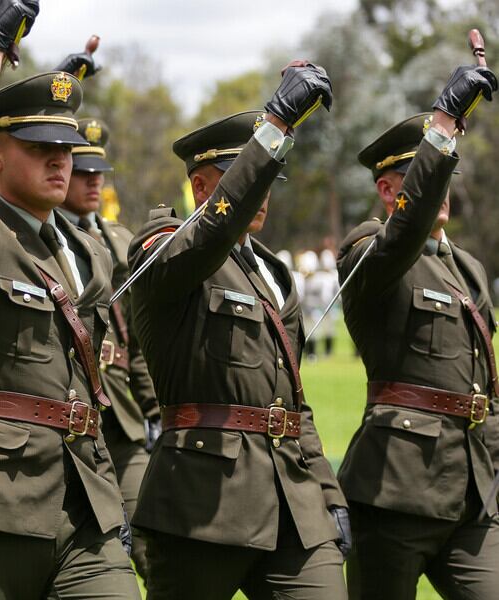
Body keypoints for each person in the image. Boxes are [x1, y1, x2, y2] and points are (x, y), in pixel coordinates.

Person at [0, 1, 140, 597]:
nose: (60, 158)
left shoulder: (79, 250)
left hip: (85, 496)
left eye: (65, 146)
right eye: (40, 144)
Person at [128, 64, 351, 599]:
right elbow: (208, 236)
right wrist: (274, 127)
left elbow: (295, 399)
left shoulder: (275, 273)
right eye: (251, 178)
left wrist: (327, 489)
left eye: (269, 180)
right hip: (202, 502)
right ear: (202, 185)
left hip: (293, 499)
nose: (262, 193)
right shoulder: (162, 247)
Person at [337, 56, 499, 599]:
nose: (441, 186)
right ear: (389, 192)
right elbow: (403, 235)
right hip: (394, 490)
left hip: (471, 491)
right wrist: (444, 125)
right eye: (426, 177)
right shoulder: (366, 248)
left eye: (445, 175)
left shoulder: (468, 268)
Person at [56, 115, 159, 580]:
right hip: (68, 411)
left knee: (146, 545)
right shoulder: (47, 237)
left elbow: (137, 335)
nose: (94, 180)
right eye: (83, 170)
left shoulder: (121, 239)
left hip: (122, 415)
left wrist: (153, 410)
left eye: (100, 172)